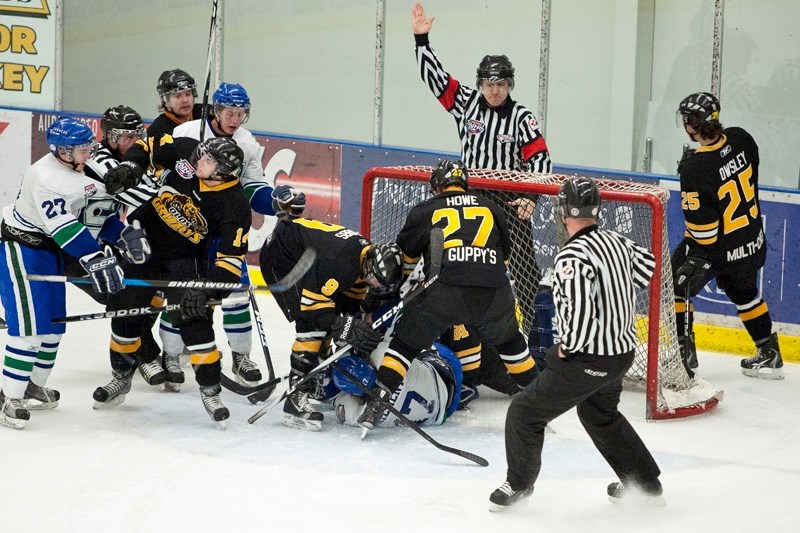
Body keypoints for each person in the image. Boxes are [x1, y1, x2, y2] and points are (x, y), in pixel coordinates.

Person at [489, 177, 663, 511]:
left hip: (589, 358)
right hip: (622, 353)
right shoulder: (618, 242)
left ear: (565, 211)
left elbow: (579, 316)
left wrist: (564, 350)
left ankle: (519, 486)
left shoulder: (571, 258)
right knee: (599, 413)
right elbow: (647, 267)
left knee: (525, 412)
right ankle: (645, 484)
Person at [358, 160, 537, 435]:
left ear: (436, 186)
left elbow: (403, 266)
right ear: (465, 184)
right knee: (513, 345)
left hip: (443, 290)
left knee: (404, 345)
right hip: (493, 291)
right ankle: (542, 404)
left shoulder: (425, 210)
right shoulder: (492, 207)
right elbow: (504, 260)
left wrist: (381, 302)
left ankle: (378, 401)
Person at [411, 2, 552, 336]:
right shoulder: (467, 103)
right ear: (480, 84)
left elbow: (541, 161)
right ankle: (460, 330)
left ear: (509, 85)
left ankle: (532, 332)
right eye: (488, 84)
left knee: (524, 268)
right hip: (469, 198)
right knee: (463, 263)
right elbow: (437, 81)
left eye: (500, 84)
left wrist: (532, 199)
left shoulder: (522, 117)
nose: (494, 90)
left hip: (507, 202)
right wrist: (422, 41)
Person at [92, 136, 251, 429]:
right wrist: (131, 165)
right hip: (145, 247)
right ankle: (121, 377)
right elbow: (147, 144)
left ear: (223, 173)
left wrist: (205, 291)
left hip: (185, 261)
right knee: (122, 311)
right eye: (201, 154)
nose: (198, 160)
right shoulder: (183, 152)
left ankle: (211, 392)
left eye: (207, 160)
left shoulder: (235, 205)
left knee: (195, 320)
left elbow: (230, 263)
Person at [0, 117, 132, 429]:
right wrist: (95, 257)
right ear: (63, 151)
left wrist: (123, 236)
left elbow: (96, 213)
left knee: (53, 327)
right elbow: (66, 228)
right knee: (30, 328)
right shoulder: (46, 178)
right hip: (21, 249)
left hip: (49, 252)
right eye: (82, 148)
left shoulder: (89, 164)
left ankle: (31, 385)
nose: (89, 151)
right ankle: (8, 397)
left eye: (90, 144)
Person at [171, 81, 284, 387]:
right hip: (186, 226)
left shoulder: (246, 143)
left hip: (223, 227)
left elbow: (253, 187)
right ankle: (170, 354)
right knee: (176, 292)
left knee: (234, 292)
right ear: (216, 110)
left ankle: (240, 356)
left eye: (242, 113)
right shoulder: (185, 133)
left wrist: (276, 202)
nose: (235, 119)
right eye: (230, 112)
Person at [673, 91, 783, 379]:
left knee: (674, 284)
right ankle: (769, 352)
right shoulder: (741, 137)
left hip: (717, 248)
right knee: (744, 292)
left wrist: (691, 170)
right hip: (750, 240)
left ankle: (683, 359)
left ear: (691, 125)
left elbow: (704, 234)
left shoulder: (694, 168)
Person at [259, 218, 401, 431]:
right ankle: (295, 398)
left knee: (335, 318)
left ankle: (317, 377)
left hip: (310, 255)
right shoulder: (339, 262)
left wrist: (350, 325)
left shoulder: (363, 260)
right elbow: (313, 310)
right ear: (369, 265)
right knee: (311, 326)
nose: (374, 286)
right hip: (282, 256)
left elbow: (350, 304)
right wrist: (344, 327)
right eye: (374, 281)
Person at [331, 342, 462, 428]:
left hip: (440, 415)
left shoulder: (356, 415)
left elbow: (334, 399)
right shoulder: (382, 353)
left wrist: (326, 381)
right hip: (447, 376)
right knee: (407, 340)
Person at [147, 69, 204, 138]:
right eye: (178, 96)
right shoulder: (157, 130)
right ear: (166, 100)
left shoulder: (205, 113)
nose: (185, 100)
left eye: (188, 94)